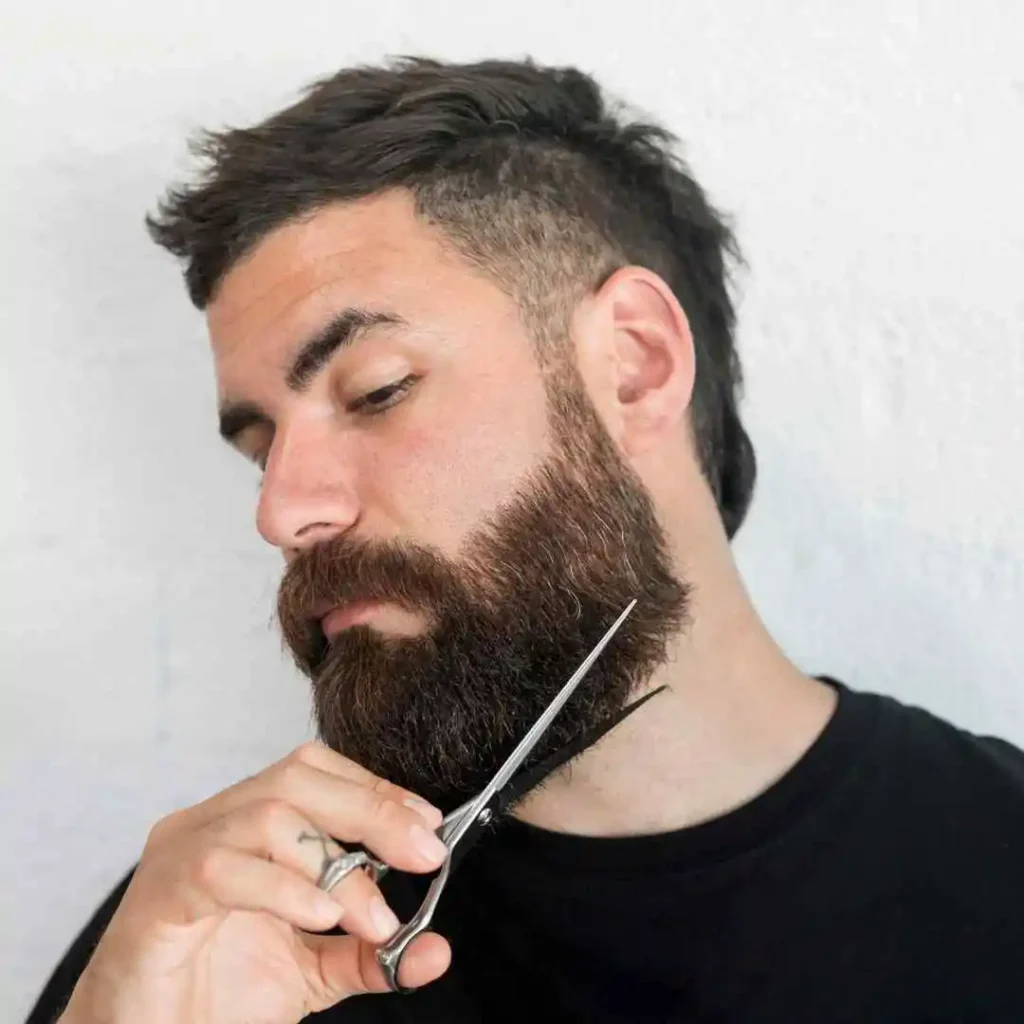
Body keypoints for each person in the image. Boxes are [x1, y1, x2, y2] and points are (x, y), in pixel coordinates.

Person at [27, 55, 1024, 1024]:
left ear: (631, 367)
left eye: (375, 391)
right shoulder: (216, 953)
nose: (281, 514)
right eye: (260, 450)